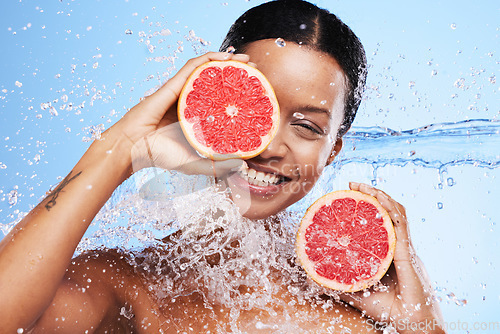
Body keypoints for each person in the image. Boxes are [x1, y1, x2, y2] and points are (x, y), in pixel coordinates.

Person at [0, 0, 445, 333]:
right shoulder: (132, 284)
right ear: (208, 104)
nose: (270, 146)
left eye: (307, 126)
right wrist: (122, 150)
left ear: (332, 151)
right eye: (253, 110)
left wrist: (422, 326)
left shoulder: (368, 295)